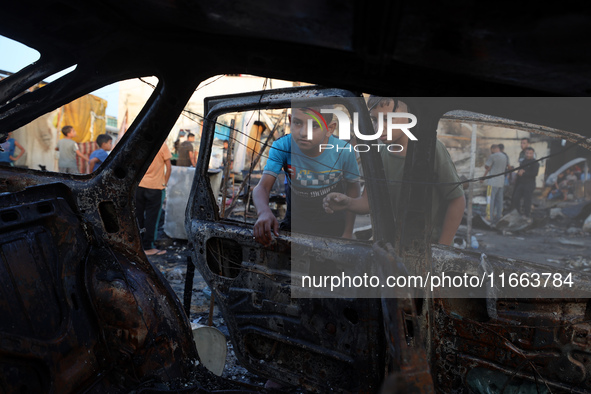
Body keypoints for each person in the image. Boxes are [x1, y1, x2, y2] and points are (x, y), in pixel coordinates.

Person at [323, 97, 465, 246]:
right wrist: (347, 203)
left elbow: (457, 200)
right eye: (375, 120)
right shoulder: (380, 154)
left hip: (426, 248)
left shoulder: (431, 150)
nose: (379, 128)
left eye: (388, 120)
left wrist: (443, 247)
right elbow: (369, 202)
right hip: (390, 245)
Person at [253, 105, 361, 246]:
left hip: (333, 223)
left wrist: (347, 232)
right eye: (298, 123)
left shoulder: (343, 151)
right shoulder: (283, 146)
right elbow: (262, 187)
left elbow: (353, 189)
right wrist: (263, 211)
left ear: (329, 129)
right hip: (295, 220)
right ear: (290, 120)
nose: (304, 133)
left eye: (314, 125)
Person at [135, 143, 172, 256]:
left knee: (138, 216)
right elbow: (169, 167)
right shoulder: (162, 145)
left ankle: (137, 244)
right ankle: (148, 247)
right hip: (155, 187)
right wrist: (164, 183)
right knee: (152, 219)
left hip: (139, 186)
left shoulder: (141, 144)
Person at [481, 144, 508, 222]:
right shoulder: (504, 156)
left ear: (493, 149)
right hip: (501, 182)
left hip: (492, 182)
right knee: (499, 200)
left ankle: (489, 216)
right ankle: (499, 215)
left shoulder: (492, 156)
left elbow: (487, 167)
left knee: (490, 199)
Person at [511, 147, 539, 217]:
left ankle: (527, 215)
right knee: (516, 198)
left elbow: (534, 174)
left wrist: (524, 173)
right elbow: (520, 171)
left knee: (527, 200)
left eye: (530, 153)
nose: (528, 155)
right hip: (521, 183)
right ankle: (518, 213)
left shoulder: (535, 163)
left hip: (529, 184)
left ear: (533, 154)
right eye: (527, 153)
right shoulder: (523, 161)